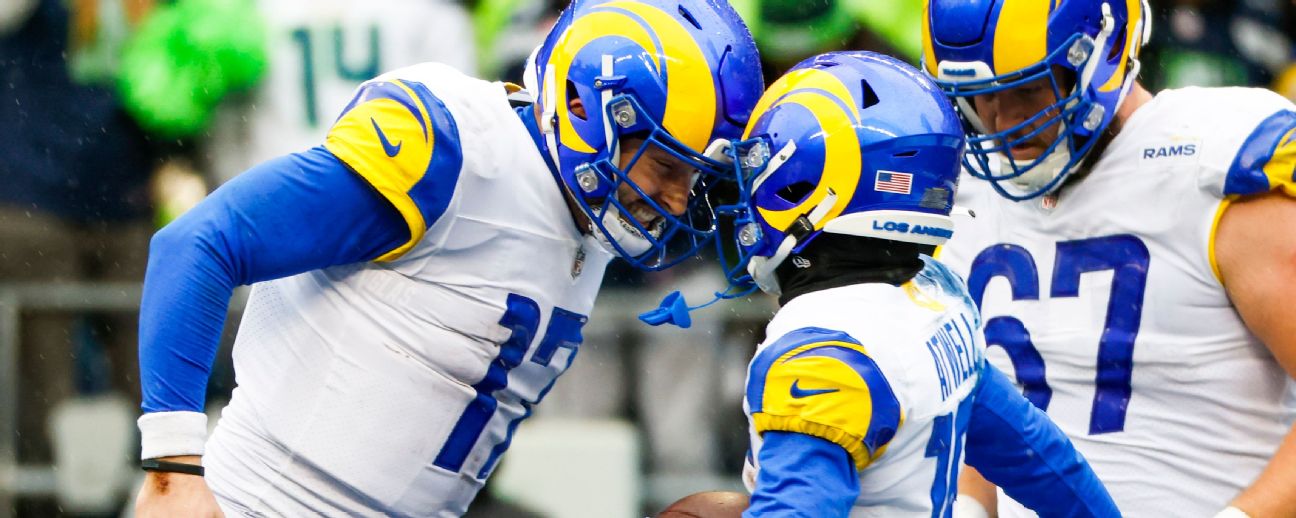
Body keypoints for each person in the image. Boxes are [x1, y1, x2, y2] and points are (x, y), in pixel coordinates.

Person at [130, 0, 765, 515]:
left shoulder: (583, 215)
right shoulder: (450, 150)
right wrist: (172, 468)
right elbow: (200, 242)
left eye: (696, 177)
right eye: (664, 166)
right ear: (582, 109)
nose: (679, 200)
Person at [922, 0, 1296, 516]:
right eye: (981, 98)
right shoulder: (962, 193)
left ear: (1107, 50)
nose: (1003, 122)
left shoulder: (1213, 162)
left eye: (1027, 90)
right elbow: (977, 408)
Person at [712, 51, 1117, 517]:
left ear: (816, 185)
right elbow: (1038, 456)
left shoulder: (822, 353)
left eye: (763, 167)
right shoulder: (935, 295)